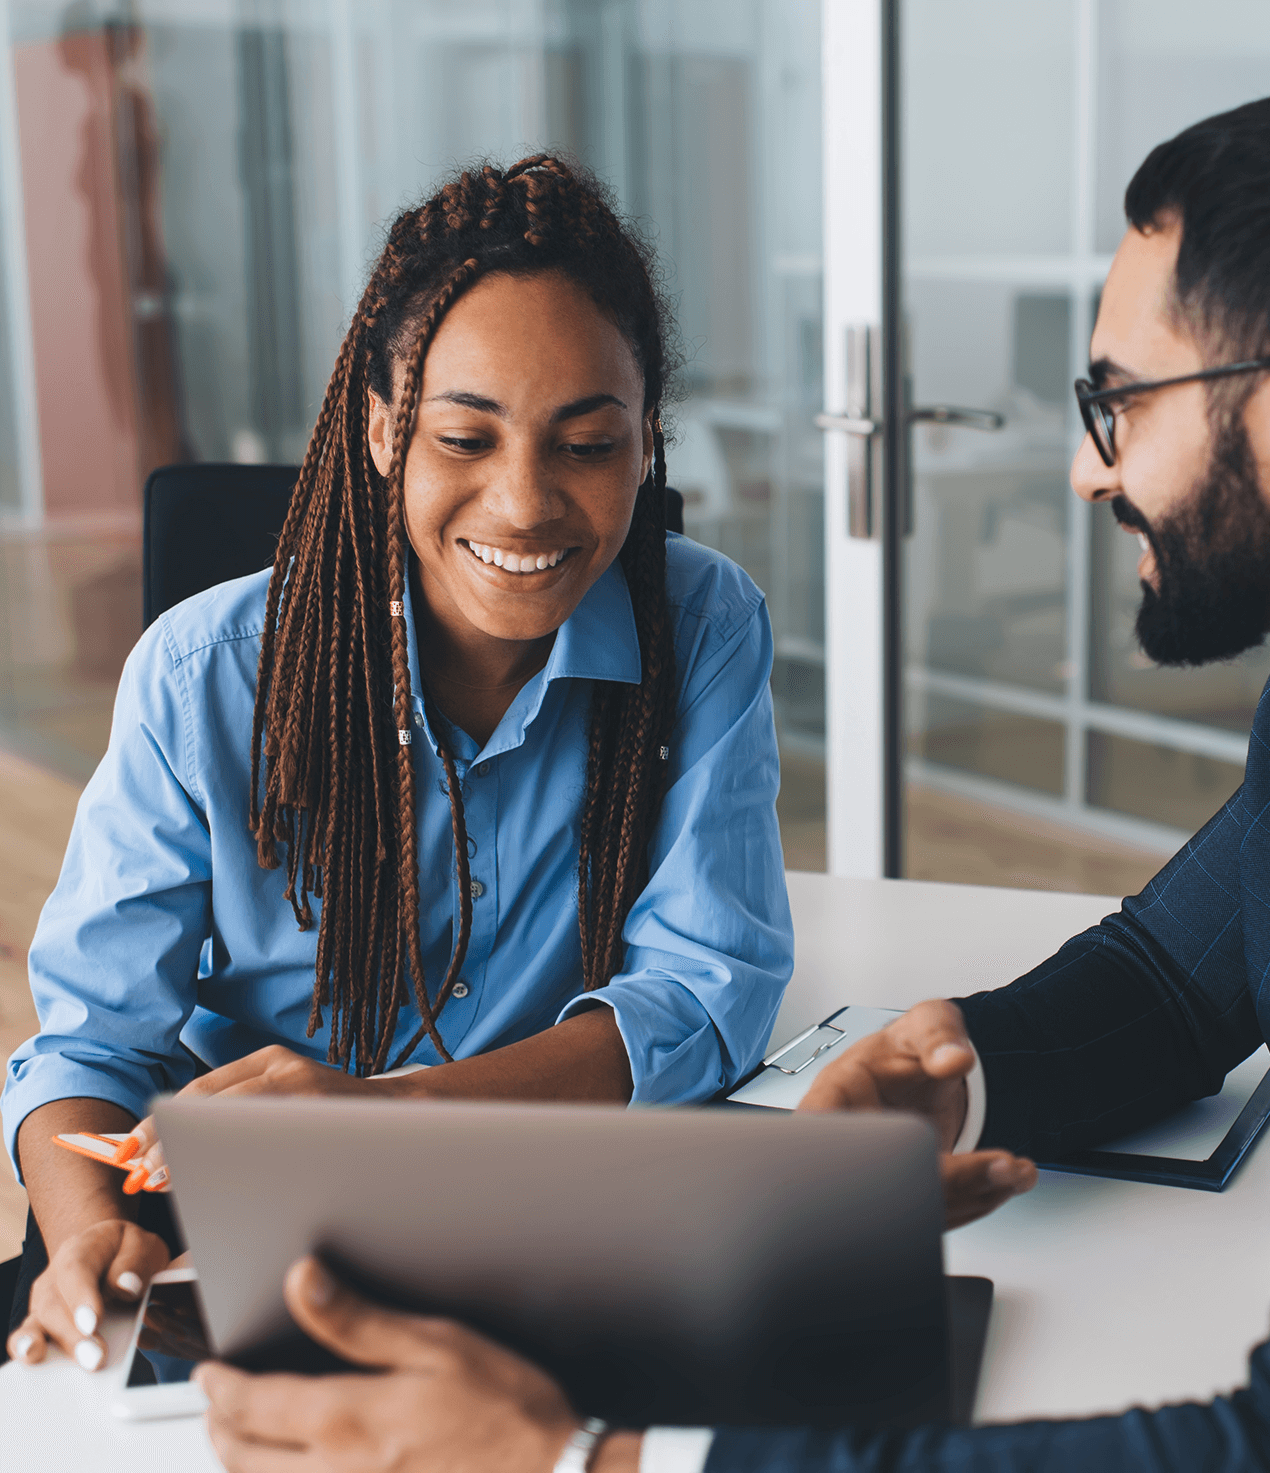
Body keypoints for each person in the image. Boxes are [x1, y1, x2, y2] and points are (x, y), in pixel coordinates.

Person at [99, 87, 1270, 1470]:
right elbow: (1179, 981)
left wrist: (594, 1458)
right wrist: (940, 1085)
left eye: (1116, 404)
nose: (1086, 469)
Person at [3, 156, 792, 1371]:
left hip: (555, 1203)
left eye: (588, 444)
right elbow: (93, 1047)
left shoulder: (703, 626)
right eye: (464, 436)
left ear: (648, 446)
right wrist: (89, 1235)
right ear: (381, 431)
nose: (525, 504)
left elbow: (701, 989)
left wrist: (387, 1117)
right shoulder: (202, 673)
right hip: (236, 1229)